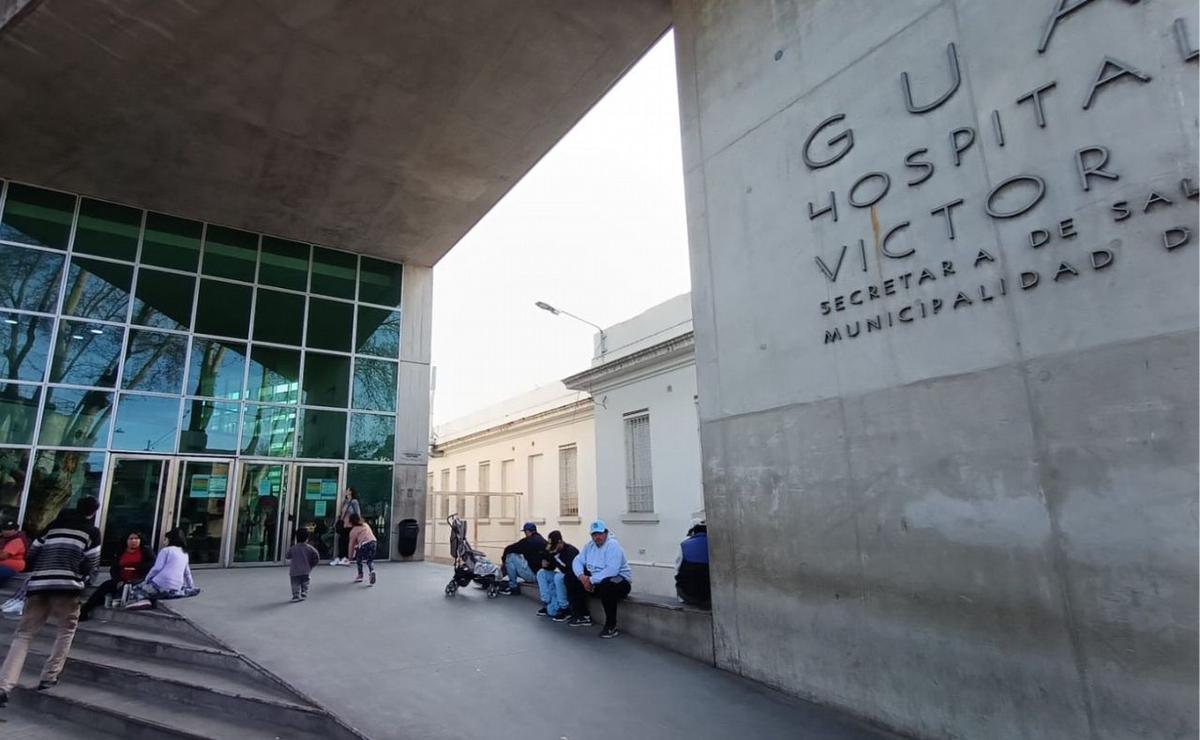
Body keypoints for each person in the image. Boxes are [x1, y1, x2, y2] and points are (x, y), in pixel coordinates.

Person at [0, 496, 102, 706]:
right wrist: (79, 576)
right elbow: (92, 562)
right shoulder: (91, 532)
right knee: (65, 630)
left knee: (24, 635)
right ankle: (49, 675)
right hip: (66, 587)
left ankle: (4, 685)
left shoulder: (51, 528)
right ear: (92, 512)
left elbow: (32, 553)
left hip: (38, 585)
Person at [572, 520, 633, 638]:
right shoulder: (589, 546)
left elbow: (612, 571)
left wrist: (590, 580)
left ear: (606, 533)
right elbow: (577, 560)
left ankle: (611, 626)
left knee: (607, 584)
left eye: (600, 534)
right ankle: (583, 615)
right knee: (571, 578)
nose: (597, 537)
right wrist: (582, 576)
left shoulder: (613, 546)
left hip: (619, 582)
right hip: (595, 581)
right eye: (594, 534)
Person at [79, 531, 154, 620]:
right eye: (131, 538)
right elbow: (114, 569)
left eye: (136, 539)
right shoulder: (121, 551)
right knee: (104, 587)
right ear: (126, 540)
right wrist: (118, 580)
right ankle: (84, 611)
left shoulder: (146, 551)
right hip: (121, 579)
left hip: (138, 580)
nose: (134, 541)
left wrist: (134, 569)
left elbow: (150, 567)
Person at [125, 528, 195, 609]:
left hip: (161, 584)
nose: (164, 541)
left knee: (137, 587)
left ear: (170, 539)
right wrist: (191, 586)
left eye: (165, 539)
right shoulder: (184, 553)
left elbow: (157, 568)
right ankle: (149, 600)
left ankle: (142, 601)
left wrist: (147, 579)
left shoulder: (166, 551)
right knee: (152, 587)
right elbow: (187, 573)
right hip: (176, 587)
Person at [535, 530, 581, 622]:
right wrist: (545, 563)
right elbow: (551, 565)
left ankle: (565, 608)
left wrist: (557, 558)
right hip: (560, 576)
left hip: (571, 577)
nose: (553, 550)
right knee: (541, 573)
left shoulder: (570, 551)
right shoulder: (553, 550)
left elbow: (572, 570)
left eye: (554, 547)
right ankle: (546, 601)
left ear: (560, 542)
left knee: (558, 577)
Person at [499, 522, 546, 596]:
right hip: (541, 575)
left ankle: (513, 587)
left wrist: (503, 562)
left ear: (527, 531)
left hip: (533, 575)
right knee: (517, 556)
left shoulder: (528, 541)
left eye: (525, 532)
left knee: (510, 556)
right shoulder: (543, 540)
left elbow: (509, 549)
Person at [676, 522, 711, 608]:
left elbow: (677, 566)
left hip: (688, 595)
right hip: (710, 596)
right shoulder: (715, 544)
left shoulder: (684, 544)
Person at [285, 528, 320, 601]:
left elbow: (288, 556)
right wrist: (312, 564)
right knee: (305, 582)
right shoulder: (310, 548)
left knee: (295, 583)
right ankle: (304, 592)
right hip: (306, 570)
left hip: (294, 571)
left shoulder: (293, 548)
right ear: (307, 538)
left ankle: (295, 595)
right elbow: (316, 556)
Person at [333, 488, 362, 566]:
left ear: (351, 492)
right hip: (344, 523)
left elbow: (358, 513)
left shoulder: (354, 502)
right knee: (341, 540)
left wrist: (357, 523)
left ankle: (346, 557)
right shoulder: (345, 502)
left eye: (348, 490)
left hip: (350, 524)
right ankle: (340, 557)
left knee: (346, 540)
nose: (346, 491)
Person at [347, 513, 377, 586]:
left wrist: (350, 558)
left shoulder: (353, 531)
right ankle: (372, 571)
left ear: (351, 522)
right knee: (370, 560)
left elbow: (351, 545)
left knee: (359, 558)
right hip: (373, 542)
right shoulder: (365, 525)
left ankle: (360, 575)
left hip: (364, 545)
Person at [0, 518, 29, 589]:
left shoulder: (17, 540)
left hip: (10, 568)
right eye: (5, 529)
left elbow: (3, 556)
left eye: (10, 529)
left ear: (16, 530)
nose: (7, 531)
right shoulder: (5, 539)